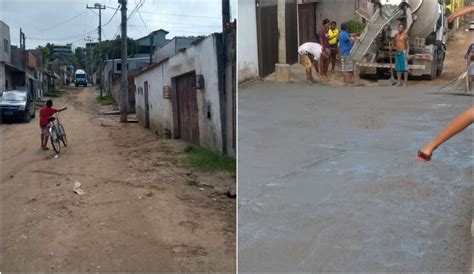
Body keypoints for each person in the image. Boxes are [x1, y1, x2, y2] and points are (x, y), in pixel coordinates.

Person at [393, 23, 409, 87]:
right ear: (398, 28)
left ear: (403, 29)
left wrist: (407, 54)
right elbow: (394, 43)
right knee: (398, 68)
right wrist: (391, 48)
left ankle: (405, 82)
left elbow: (408, 46)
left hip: (403, 52)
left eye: (401, 28)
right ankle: (399, 82)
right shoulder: (396, 35)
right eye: (399, 28)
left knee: (405, 68)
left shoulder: (405, 36)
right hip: (397, 52)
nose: (400, 29)